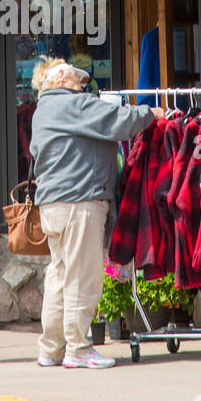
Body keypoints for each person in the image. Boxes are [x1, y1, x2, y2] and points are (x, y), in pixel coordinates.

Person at [28, 57, 162, 369]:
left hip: (53, 205)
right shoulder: (72, 104)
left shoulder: (43, 110)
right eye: (78, 79)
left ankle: (50, 349)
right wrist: (151, 113)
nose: (83, 84)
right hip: (80, 202)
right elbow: (120, 121)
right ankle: (78, 348)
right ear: (62, 77)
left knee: (60, 277)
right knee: (82, 278)